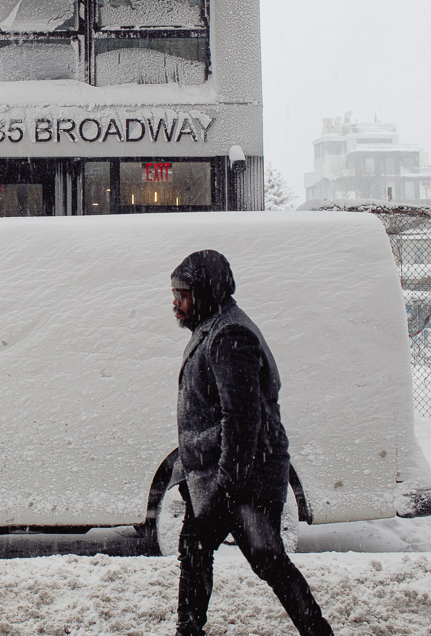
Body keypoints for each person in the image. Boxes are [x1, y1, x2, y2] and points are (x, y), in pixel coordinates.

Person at [169, 249, 333, 636]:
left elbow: (242, 419)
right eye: (174, 294)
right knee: (196, 551)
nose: (175, 304)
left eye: (183, 294)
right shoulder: (215, 326)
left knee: (266, 558)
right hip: (221, 473)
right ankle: (188, 630)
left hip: (242, 475)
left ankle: (317, 630)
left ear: (206, 292)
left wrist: (228, 484)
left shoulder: (230, 336)